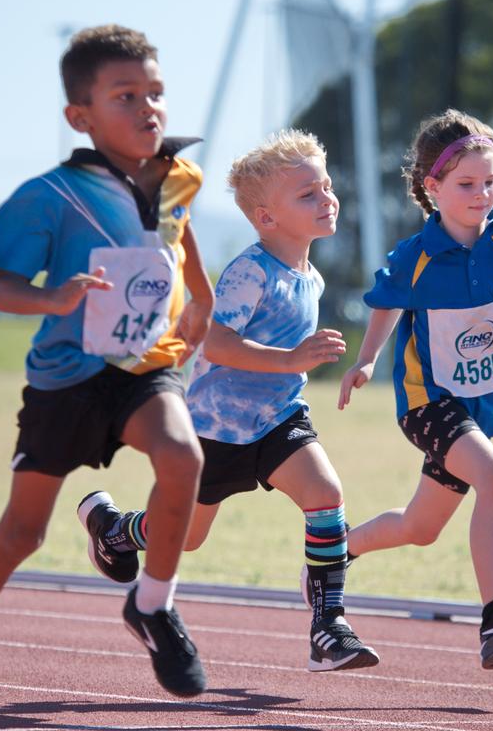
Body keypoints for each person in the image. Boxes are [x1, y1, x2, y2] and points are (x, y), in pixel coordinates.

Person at [0, 25, 215, 731]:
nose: (150, 110)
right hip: (65, 379)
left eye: (157, 94)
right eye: (126, 96)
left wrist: (199, 299)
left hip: (144, 369)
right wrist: (52, 298)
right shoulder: (48, 195)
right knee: (21, 533)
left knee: (182, 456)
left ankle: (152, 605)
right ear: (80, 116)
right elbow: (2, 287)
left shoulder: (177, 178)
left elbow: (180, 232)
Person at [79, 129, 380, 673]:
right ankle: (115, 528)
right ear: (266, 218)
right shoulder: (250, 271)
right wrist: (292, 358)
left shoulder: (310, 276)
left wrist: (293, 370)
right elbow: (215, 341)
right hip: (214, 431)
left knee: (325, 493)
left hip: (279, 420)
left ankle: (328, 627)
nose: (327, 198)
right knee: (187, 539)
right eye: (307, 194)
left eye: (326, 186)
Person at [334, 109, 493, 670]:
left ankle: (337, 551)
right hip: (428, 405)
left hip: (475, 409)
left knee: (419, 528)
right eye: (467, 184)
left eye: (490, 181)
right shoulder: (416, 256)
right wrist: (367, 361)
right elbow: (386, 303)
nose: (482, 194)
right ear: (433, 188)